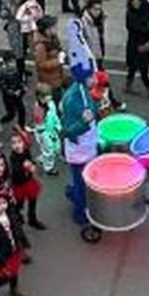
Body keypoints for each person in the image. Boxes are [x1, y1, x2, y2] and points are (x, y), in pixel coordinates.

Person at [59, 76, 97, 228]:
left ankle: (72, 192)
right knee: (82, 184)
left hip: (88, 146)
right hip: (79, 153)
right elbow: (66, 131)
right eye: (90, 77)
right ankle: (79, 214)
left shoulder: (84, 92)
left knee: (84, 181)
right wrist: (83, 122)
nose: (94, 80)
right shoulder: (70, 101)